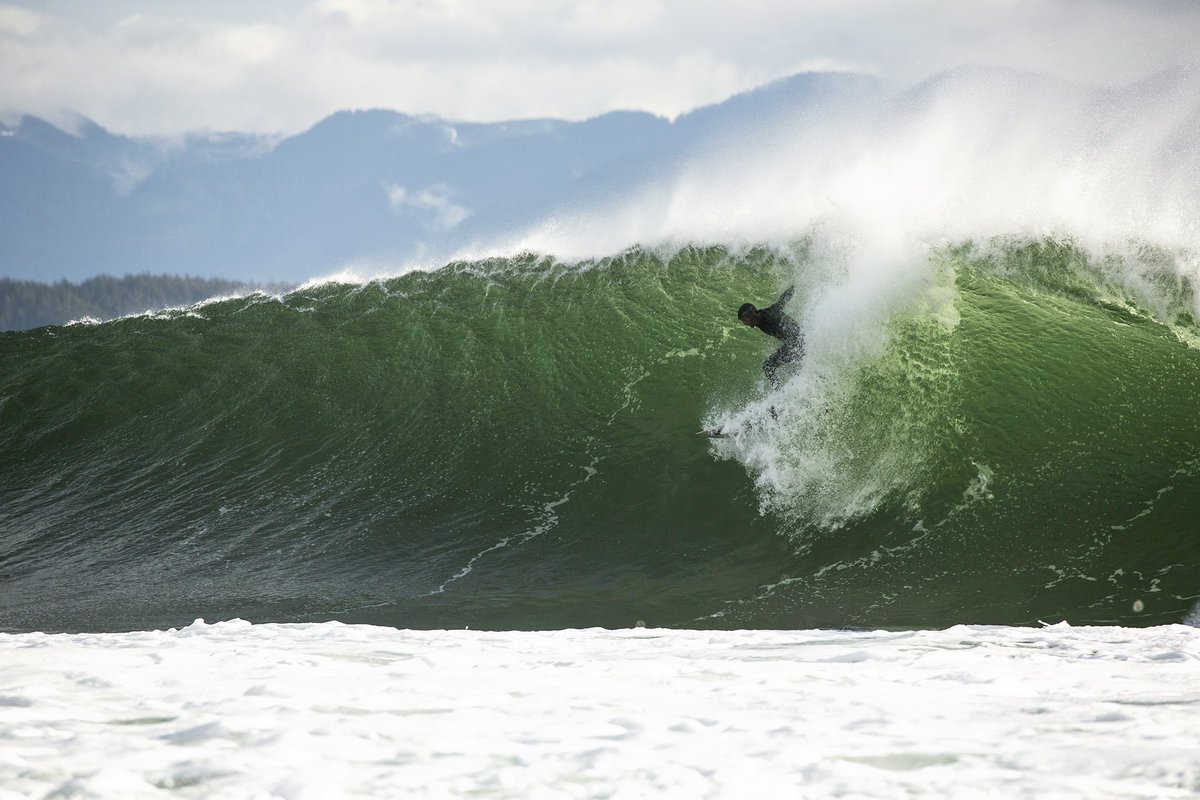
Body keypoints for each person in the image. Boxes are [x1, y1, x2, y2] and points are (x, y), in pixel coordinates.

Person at [738, 285, 804, 388]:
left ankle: (780, 392)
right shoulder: (759, 321)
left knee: (768, 366)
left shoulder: (768, 314)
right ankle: (785, 392)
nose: (745, 323)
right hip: (795, 344)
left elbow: (781, 301)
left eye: (745, 319)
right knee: (777, 367)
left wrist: (797, 285)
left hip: (797, 342)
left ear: (752, 313)